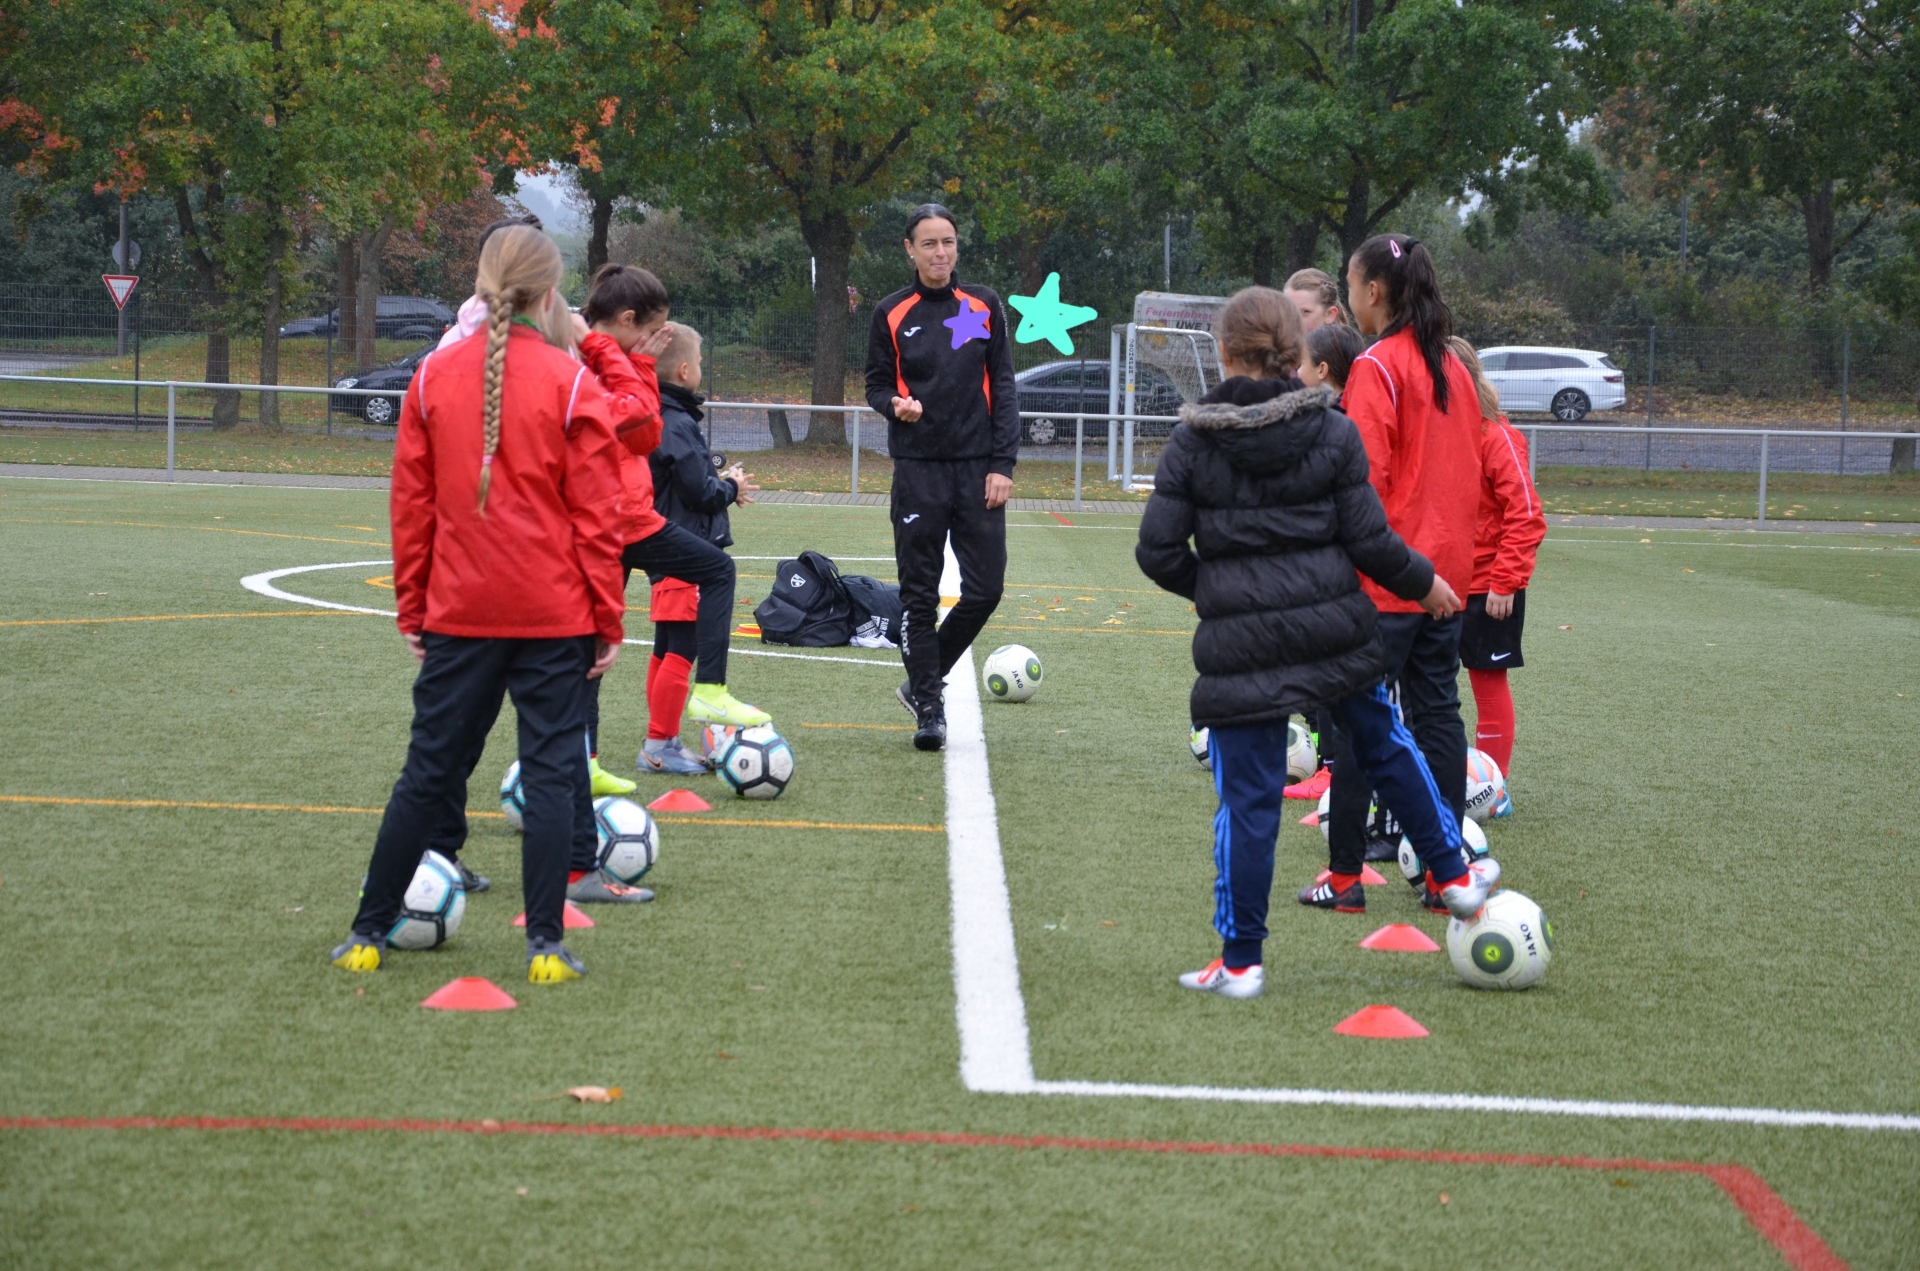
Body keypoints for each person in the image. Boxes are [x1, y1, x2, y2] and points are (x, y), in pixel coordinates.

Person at [1136, 287, 1494, 999]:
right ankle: (1454, 877)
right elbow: (1369, 541)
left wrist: (1220, 592)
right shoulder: (1333, 431)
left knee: (1247, 802)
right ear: (1297, 355)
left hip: (1242, 648)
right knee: (1388, 746)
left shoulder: (1194, 439)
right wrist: (1425, 583)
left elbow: (1158, 551)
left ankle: (1241, 963)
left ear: (1223, 351)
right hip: (1335, 628)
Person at [330, 224, 627, 984]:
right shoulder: (572, 383)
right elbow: (598, 519)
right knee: (554, 772)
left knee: (425, 773)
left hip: (459, 611)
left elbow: (412, 511)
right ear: (553, 291)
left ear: (484, 285)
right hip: (551, 615)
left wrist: (412, 611)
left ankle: (367, 932)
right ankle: (545, 948)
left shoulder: (431, 377)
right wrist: (606, 619)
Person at [1309, 233, 1485, 915]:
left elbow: (1363, 482)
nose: (1348, 298)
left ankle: (1346, 876)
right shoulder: (1453, 365)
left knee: (1361, 722)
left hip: (1388, 579)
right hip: (1446, 577)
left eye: (1350, 285)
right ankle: (1445, 876)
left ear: (1372, 291)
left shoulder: (1379, 366)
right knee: (1437, 714)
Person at [578, 265, 771, 788]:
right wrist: (726, 487)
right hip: (618, 522)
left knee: (599, 650)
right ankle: (686, 713)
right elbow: (645, 433)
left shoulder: (609, 363)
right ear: (626, 321)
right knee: (706, 591)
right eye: (650, 331)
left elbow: (639, 435)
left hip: (619, 519)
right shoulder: (590, 367)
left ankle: (589, 762)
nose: (653, 344)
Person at [864, 203, 1019, 751]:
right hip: (918, 473)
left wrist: (1003, 465)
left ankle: (920, 678)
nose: (940, 253)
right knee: (919, 597)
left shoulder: (983, 304)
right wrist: (894, 406)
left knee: (985, 590)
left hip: (979, 472)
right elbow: (875, 385)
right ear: (910, 249)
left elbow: (1003, 386)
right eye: (929, 243)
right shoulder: (889, 311)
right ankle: (929, 707)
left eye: (948, 242)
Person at [641, 323, 760, 773]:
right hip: (681, 547)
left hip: (664, 543)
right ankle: (659, 743)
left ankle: (660, 735)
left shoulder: (658, 412)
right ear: (686, 370)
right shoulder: (677, 421)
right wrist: (729, 487)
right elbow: (698, 491)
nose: (702, 371)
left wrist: (722, 483)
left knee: (665, 646)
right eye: (702, 364)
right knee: (681, 649)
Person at [1450, 337, 1546, 779]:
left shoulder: (1499, 437)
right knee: (1426, 688)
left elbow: (1525, 514)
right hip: (1436, 584)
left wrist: (1505, 581)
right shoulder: (1433, 438)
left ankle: (1495, 787)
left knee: (1487, 687)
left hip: (1489, 589)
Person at [1299, 323, 1363, 401]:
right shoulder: (1360, 407)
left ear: (1322, 370)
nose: (1298, 372)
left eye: (1301, 364)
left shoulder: (1319, 412)